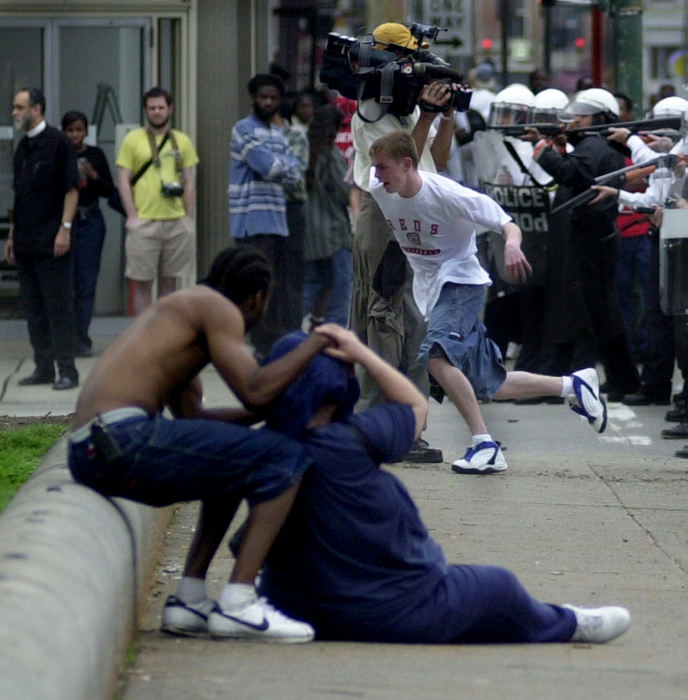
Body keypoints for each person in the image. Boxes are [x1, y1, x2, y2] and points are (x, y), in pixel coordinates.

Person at [255, 326, 631, 645]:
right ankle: (569, 623)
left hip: (300, 604)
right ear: (339, 385)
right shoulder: (347, 441)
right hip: (393, 606)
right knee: (499, 587)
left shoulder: (267, 449)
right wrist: (362, 355)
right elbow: (415, 406)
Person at [67, 245, 336, 642]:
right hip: (121, 439)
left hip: (93, 448)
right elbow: (255, 392)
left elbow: (196, 421)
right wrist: (314, 345)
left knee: (230, 455)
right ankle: (240, 603)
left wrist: (269, 413)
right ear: (257, 298)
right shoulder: (218, 308)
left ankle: (189, 599)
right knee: (286, 457)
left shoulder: (181, 311)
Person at [366, 131, 608, 475]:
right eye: (374, 168)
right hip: (431, 290)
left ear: (407, 164)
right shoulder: (380, 190)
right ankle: (574, 385)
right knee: (488, 383)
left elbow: (506, 223)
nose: (376, 175)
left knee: (436, 356)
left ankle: (485, 445)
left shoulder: (447, 194)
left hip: (461, 282)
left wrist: (512, 245)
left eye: (382, 168)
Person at [349, 21, 457, 463]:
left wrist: (445, 116)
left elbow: (436, 160)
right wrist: (429, 116)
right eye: (411, 58)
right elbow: (399, 167)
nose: (419, 67)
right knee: (381, 317)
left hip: (419, 214)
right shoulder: (371, 110)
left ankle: (409, 428)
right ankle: (380, 426)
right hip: (385, 215)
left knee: (415, 322)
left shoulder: (410, 108)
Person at [523, 88, 641, 402]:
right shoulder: (597, 146)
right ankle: (622, 379)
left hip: (585, 241)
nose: (575, 120)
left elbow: (569, 171)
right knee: (600, 314)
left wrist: (542, 147)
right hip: (589, 238)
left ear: (601, 119)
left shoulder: (594, 146)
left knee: (588, 312)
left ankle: (566, 377)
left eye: (582, 115)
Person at [5, 87, 80, 390]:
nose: (15, 113)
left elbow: (71, 189)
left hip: (52, 241)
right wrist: (12, 234)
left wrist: (65, 228)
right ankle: (43, 367)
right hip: (25, 242)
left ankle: (68, 370)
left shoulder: (58, 143)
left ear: (37, 109)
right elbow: (20, 196)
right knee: (33, 309)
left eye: (20, 107)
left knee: (58, 307)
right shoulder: (23, 148)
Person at [229, 73, 304, 357]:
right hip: (251, 221)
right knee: (254, 289)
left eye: (273, 98)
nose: (268, 102)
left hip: (276, 221)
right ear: (253, 99)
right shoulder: (242, 129)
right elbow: (270, 168)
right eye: (263, 97)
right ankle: (256, 343)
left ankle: (269, 345)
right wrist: (282, 166)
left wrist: (281, 166)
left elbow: (295, 172)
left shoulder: (276, 132)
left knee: (275, 287)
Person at [116, 86, 199, 314]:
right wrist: (132, 215)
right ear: (145, 111)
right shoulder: (133, 139)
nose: (157, 112)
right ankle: (145, 334)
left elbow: (189, 182)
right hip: (145, 220)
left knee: (170, 282)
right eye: (152, 108)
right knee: (143, 283)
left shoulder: (181, 140)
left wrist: (188, 219)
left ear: (170, 109)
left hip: (175, 220)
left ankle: (166, 334)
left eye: (161, 107)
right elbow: (123, 180)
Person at [62, 110, 120, 356]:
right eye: (70, 130)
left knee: (86, 282)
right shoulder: (60, 153)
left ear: (86, 131)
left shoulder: (95, 154)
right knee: (67, 282)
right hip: (67, 222)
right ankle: (64, 338)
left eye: (79, 130)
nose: (75, 135)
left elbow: (109, 191)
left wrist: (93, 175)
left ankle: (81, 338)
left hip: (90, 221)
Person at [302, 104, 353, 328]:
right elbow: (344, 193)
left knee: (313, 283)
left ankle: (295, 323)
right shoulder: (331, 155)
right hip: (335, 232)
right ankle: (334, 332)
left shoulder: (306, 153)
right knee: (342, 285)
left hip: (311, 233)